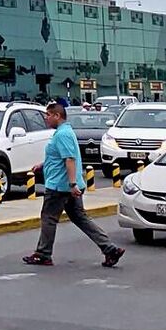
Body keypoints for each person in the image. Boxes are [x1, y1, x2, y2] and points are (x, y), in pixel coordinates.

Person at [27, 104, 124, 267]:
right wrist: (44, 164)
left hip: (60, 186)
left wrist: (72, 184)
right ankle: (109, 249)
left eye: (48, 115)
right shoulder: (64, 132)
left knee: (49, 218)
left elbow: (69, 159)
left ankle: (43, 254)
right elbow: (61, 156)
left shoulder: (62, 134)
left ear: (57, 116)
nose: (46, 118)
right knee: (80, 218)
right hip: (68, 185)